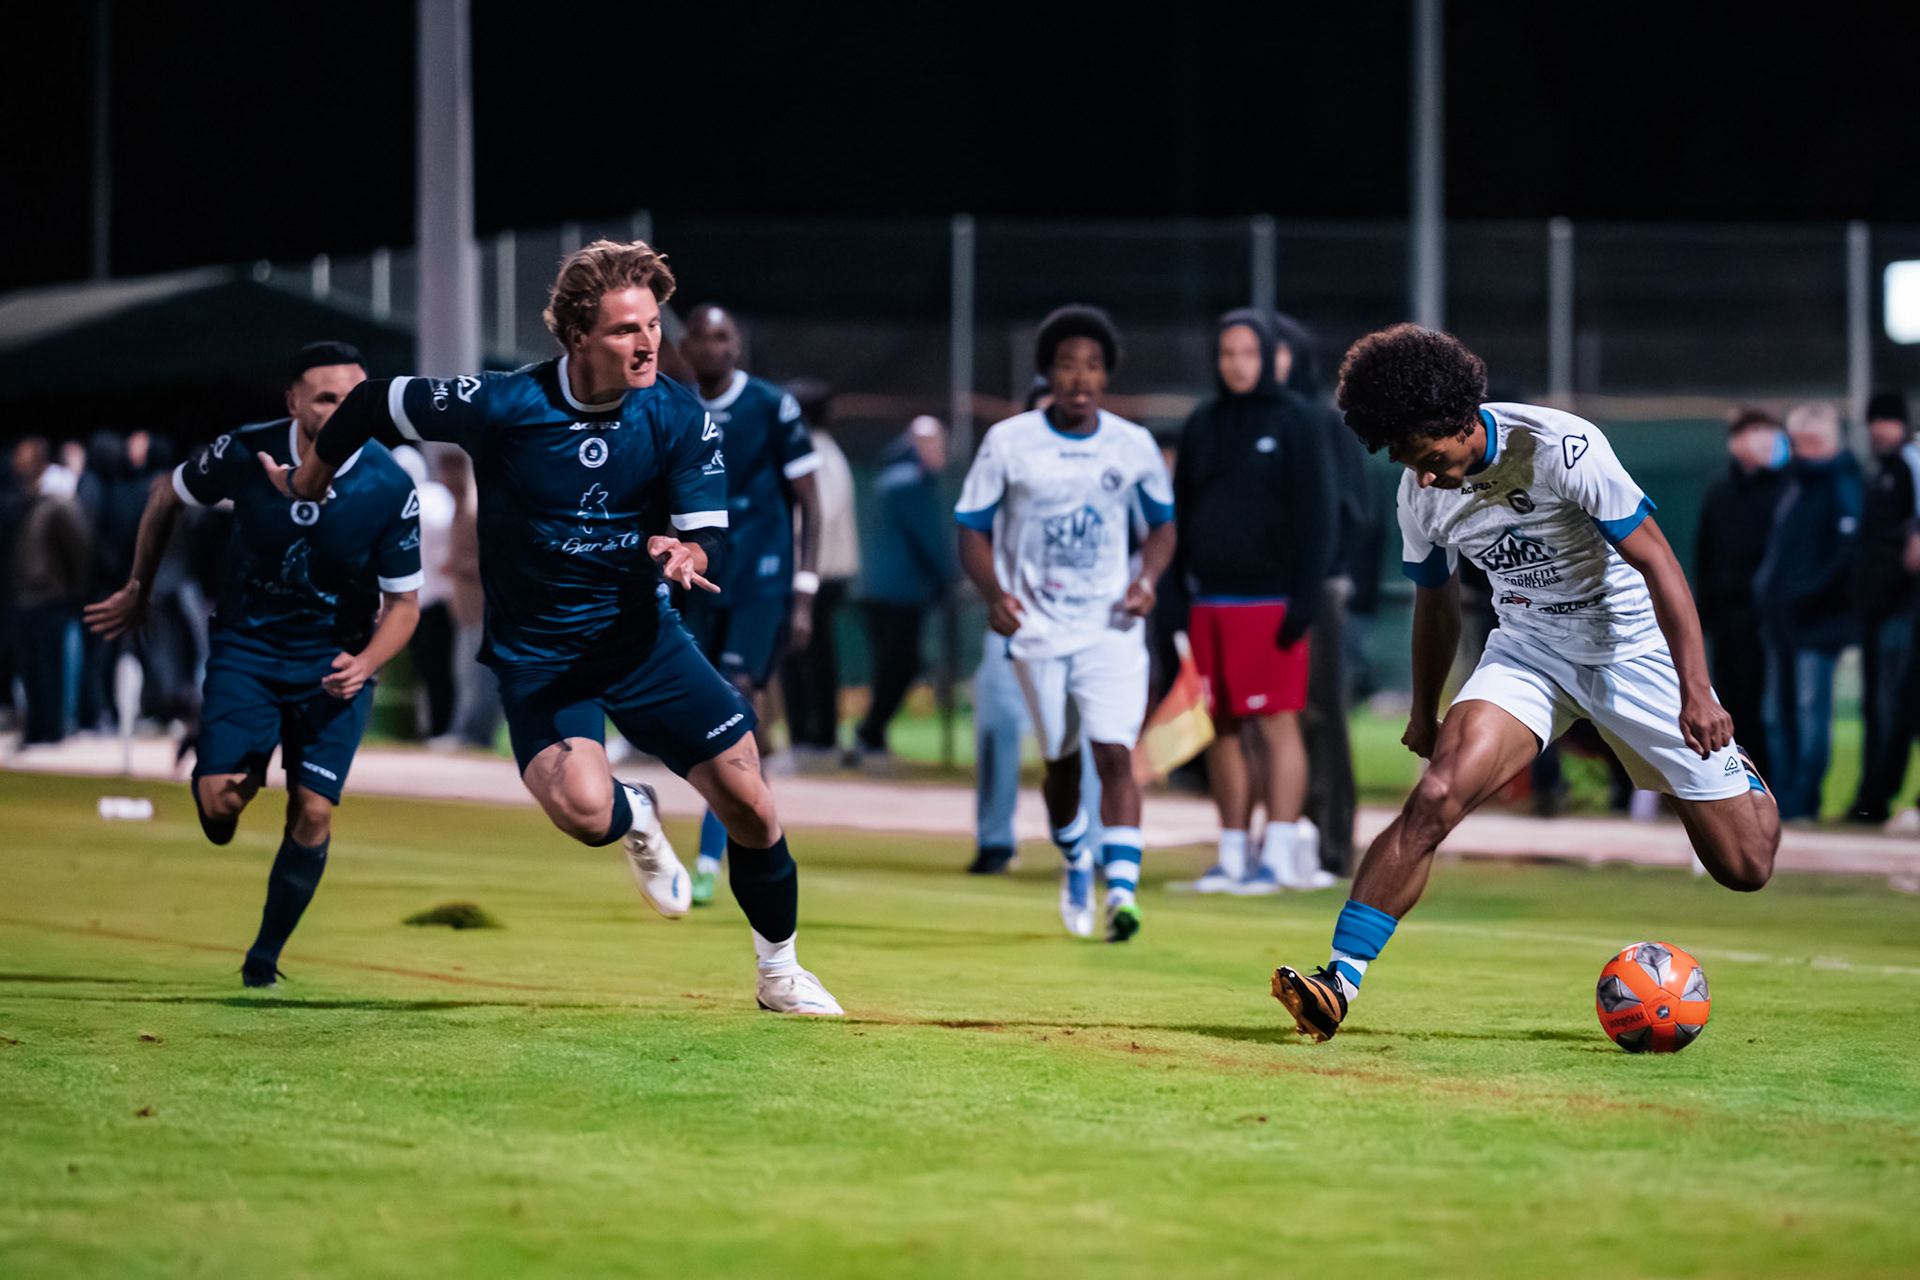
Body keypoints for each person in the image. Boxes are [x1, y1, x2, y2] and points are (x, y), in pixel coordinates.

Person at [271, 240, 841, 1015]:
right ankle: (634, 811)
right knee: (583, 812)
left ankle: (781, 973)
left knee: (752, 803)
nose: (644, 343)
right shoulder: (503, 404)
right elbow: (372, 402)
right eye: (621, 330)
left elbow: (710, 530)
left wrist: (686, 548)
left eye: (648, 326)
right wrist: (311, 477)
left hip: (641, 639)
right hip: (540, 656)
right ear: (577, 336)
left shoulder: (675, 411)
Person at [1271, 325, 1779, 1043]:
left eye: (1426, 456)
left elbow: (1660, 564)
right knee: (1438, 795)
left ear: (1451, 421)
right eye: (1405, 462)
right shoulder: (1420, 495)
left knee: (1746, 864)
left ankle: (1730, 777)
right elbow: (1436, 601)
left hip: (1630, 651)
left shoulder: (1562, 448)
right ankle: (1338, 981)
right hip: (1530, 653)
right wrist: (1424, 709)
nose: (1422, 475)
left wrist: (1696, 690)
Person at [85, 343, 422, 987]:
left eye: (355, 396)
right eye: (326, 397)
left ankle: (263, 959)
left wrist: (368, 659)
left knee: (315, 810)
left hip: (334, 664)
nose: (345, 408)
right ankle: (234, 760)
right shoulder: (243, 450)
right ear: (293, 401)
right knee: (221, 807)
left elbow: (403, 604)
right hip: (248, 652)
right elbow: (166, 495)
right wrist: (139, 586)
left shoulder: (389, 484)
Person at [956, 305, 1176, 942]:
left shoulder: (1131, 445)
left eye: (1093, 367)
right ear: (1048, 373)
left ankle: (1123, 896)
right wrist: (994, 594)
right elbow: (971, 528)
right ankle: (1076, 855)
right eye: (1067, 365)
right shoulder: (1010, 441)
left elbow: (1163, 524)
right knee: (1061, 763)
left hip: (1111, 626)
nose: (1081, 378)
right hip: (1038, 631)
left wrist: (1146, 580)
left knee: (1116, 755)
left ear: (1107, 377)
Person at [1176, 310, 1335, 894]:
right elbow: (1181, 513)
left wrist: (1305, 598)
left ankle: (1280, 854)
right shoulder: (1203, 422)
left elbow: (1319, 518)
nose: (1237, 364)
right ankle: (1232, 856)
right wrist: (1176, 593)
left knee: (1276, 724)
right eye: (1227, 353)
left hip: (1271, 602)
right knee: (1218, 726)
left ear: (1267, 358)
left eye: (1248, 353)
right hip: (1208, 602)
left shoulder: (1297, 421)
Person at [676, 304, 824, 908]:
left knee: (734, 701)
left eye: (723, 336)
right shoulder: (673, 405)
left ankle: (714, 856)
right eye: (702, 338)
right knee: (696, 719)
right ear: (686, 347)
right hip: (696, 581)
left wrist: (805, 589)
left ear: (736, 345)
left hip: (763, 581)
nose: (713, 347)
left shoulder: (771, 406)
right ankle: (735, 827)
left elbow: (810, 501)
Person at [1273, 311, 1370, 877]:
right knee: (1275, 720)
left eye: (1276, 350)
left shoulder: (1324, 421)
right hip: (1263, 591)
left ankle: (1331, 846)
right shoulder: (1261, 419)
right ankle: (1290, 840)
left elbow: (1355, 510)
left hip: (1318, 588)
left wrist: (1334, 577)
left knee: (1321, 718)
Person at [1753, 402, 1862, 822]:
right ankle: (1784, 796)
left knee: (1808, 711)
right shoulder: (1793, 483)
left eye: (1810, 441)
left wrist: (1803, 594)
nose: (1802, 450)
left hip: (1817, 622)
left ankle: (1803, 799)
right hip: (1782, 621)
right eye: (1797, 441)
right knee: (1777, 715)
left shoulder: (1842, 483)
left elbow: (1845, 556)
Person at [854, 416, 957, 763]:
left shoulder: (894, 478)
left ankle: (872, 736)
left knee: (895, 666)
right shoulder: (909, 483)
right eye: (931, 443)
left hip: (885, 591)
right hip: (897, 594)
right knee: (898, 666)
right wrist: (949, 577)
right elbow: (930, 540)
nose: (939, 451)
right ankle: (870, 735)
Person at [1695, 409, 1789, 781]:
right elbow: (1706, 555)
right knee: (1730, 703)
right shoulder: (1720, 493)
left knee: (1769, 708)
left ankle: (1772, 784)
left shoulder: (1785, 490)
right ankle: (1733, 780)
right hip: (1728, 621)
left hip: (1768, 621)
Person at [777, 378, 859, 763]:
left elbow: (818, 511)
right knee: (805, 658)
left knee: (808, 659)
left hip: (818, 573)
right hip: (817, 570)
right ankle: (810, 739)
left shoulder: (819, 452)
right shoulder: (819, 449)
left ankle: (815, 741)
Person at [11, 438, 92, 745]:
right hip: (27, 597)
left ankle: (54, 729)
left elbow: (79, 547)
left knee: (51, 668)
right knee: (32, 669)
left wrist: (71, 588)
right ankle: (37, 728)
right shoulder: (29, 500)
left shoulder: (56, 501)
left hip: (50, 595)